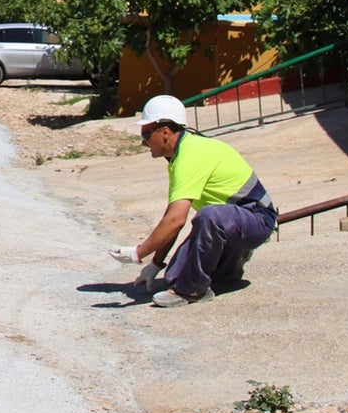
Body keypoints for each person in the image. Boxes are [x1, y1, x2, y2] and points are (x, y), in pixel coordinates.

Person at [109, 94, 277, 308]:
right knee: (175, 274)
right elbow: (171, 220)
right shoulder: (180, 156)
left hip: (257, 219)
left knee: (208, 218)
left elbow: (176, 220)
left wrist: (138, 253)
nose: (143, 142)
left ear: (165, 132)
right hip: (238, 220)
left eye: (146, 134)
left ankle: (192, 291)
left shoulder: (191, 155)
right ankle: (229, 267)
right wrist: (155, 264)